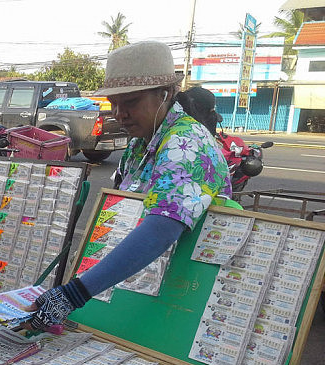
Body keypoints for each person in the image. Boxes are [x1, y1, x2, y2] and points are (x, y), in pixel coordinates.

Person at [27, 41, 232, 330]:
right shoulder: (139, 144)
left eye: (131, 102)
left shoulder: (186, 142)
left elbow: (162, 228)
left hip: (183, 296)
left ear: (166, 94)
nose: (119, 113)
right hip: (135, 284)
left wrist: (74, 294)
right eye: (115, 103)